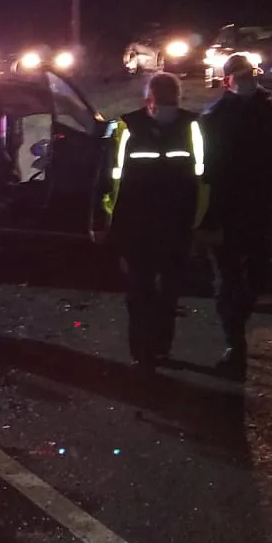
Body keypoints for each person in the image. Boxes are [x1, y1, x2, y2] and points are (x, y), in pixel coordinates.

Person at [104, 73, 206, 370]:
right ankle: (149, 350)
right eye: (162, 101)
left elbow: (204, 177)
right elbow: (111, 176)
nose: (163, 106)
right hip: (153, 227)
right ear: (148, 101)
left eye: (168, 101)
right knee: (147, 292)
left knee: (156, 292)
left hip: (162, 227)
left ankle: (151, 349)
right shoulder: (128, 127)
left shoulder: (192, 127)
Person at [197, 56, 272, 376]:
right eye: (240, 76)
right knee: (228, 278)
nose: (247, 81)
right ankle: (234, 342)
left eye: (250, 75)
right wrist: (207, 217)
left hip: (259, 210)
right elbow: (206, 170)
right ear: (227, 81)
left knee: (257, 274)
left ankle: (237, 326)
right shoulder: (214, 117)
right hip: (226, 210)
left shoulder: (268, 112)